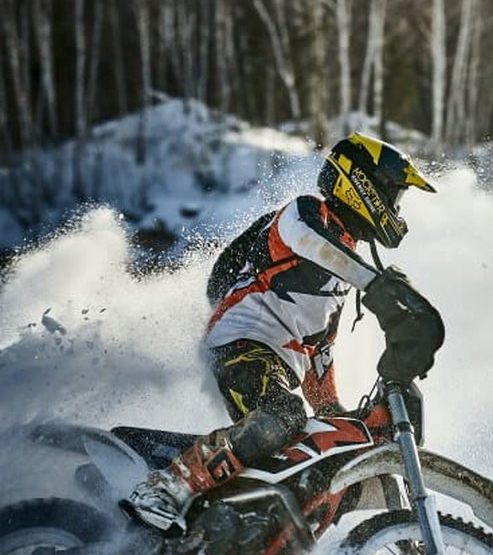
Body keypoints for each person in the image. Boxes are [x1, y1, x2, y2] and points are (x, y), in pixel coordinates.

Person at [122, 132, 444, 534]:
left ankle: (250, 536)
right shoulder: (306, 214)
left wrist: (333, 411)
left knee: (326, 453)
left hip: (275, 363)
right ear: (363, 185)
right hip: (240, 345)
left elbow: (319, 350)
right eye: (394, 196)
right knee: (284, 414)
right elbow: (308, 240)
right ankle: (166, 488)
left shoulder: (344, 271)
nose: (397, 210)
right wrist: (377, 286)